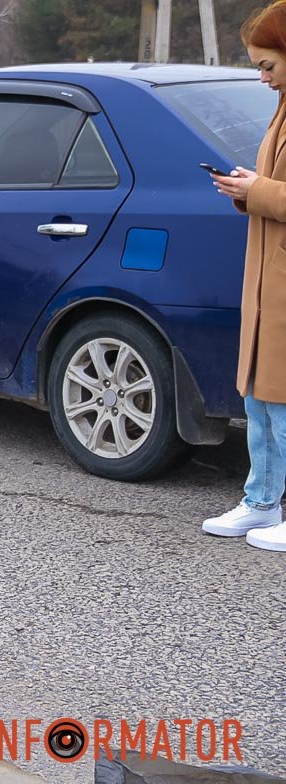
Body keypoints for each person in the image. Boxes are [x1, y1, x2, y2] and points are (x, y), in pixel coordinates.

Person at [205, 0, 286, 552]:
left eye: (268, 66)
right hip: (267, 281)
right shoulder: (284, 107)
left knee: (282, 404)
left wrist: (254, 191)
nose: (261, 78)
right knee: (259, 399)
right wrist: (249, 188)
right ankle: (261, 503)